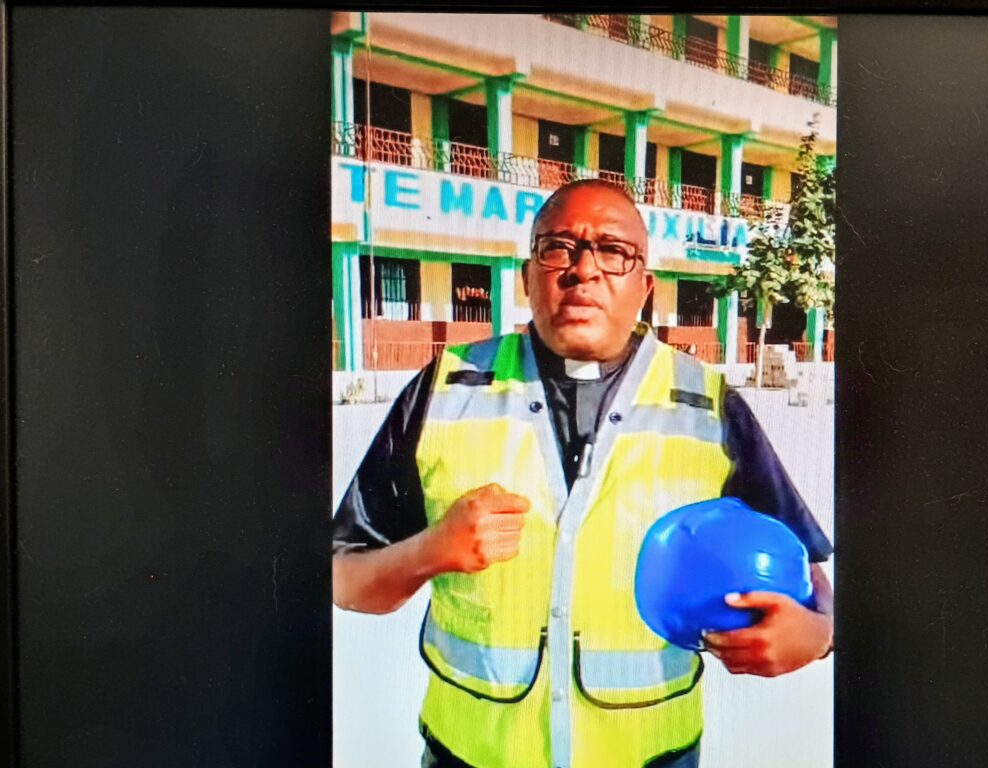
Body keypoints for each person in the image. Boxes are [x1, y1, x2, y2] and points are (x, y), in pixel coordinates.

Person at [332, 179, 834, 768]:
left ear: (644, 287)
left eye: (613, 251)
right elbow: (344, 580)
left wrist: (819, 635)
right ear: (527, 277)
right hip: (470, 756)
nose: (583, 270)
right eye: (559, 247)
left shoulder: (706, 404)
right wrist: (429, 551)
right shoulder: (443, 392)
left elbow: (808, 572)